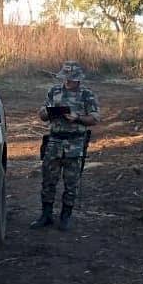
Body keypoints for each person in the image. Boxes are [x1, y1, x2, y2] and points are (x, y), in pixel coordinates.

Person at [30, 61, 99, 231]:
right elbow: (42, 115)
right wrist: (49, 111)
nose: (68, 82)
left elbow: (95, 118)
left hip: (75, 144)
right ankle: (46, 215)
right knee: (48, 180)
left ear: (78, 80)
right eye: (66, 79)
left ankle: (65, 217)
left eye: (71, 79)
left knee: (71, 183)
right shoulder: (54, 91)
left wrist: (77, 117)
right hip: (54, 142)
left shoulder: (87, 95)